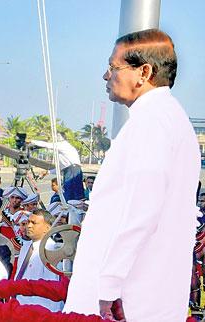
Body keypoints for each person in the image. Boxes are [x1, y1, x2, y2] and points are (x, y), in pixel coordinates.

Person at [64, 29, 201, 321]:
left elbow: (142, 210)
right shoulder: (167, 117)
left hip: (128, 300)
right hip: (147, 293)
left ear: (144, 72)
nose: (106, 76)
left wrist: (108, 287)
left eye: (113, 67)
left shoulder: (152, 122)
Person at [14, 209, 63, 312]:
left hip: (41, 310)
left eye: (34, 223)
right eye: (28, 222)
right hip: (20, 308)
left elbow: (54, 288)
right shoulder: (26, 247)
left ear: (47, 228)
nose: (29, 226)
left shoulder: (52, 250)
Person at [31, 132, 84, 201]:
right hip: (71, 170)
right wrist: (47, 172)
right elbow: (60, 168)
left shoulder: (63, 145)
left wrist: (31, 141)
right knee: (72, 193)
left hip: (72, 171)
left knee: (70, 193)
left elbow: (47, 145)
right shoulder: (62, 151)